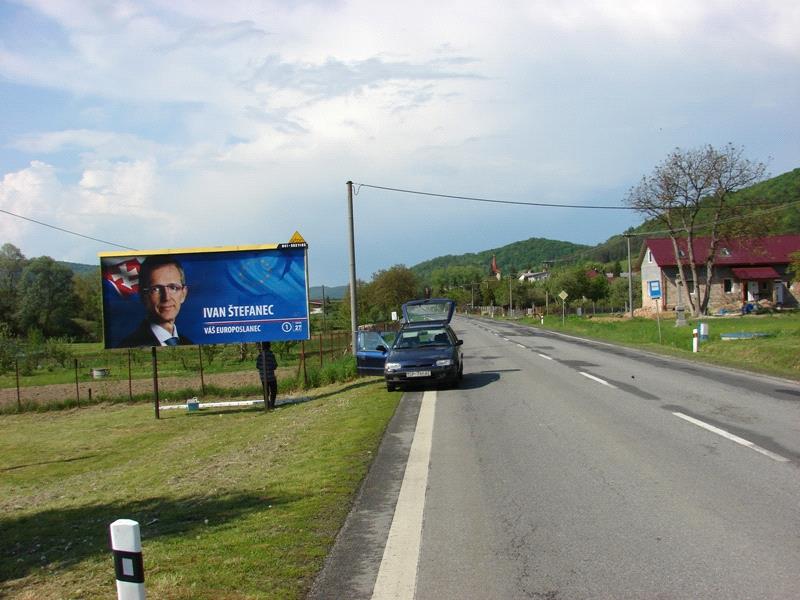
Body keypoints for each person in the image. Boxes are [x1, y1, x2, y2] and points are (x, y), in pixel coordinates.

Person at [118, 256, 193, 347]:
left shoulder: (188, 344)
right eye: (156, 289)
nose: (166, 297)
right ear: (143, 295)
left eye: (173, 287)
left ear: (183, 294)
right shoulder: (129, 346)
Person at [256, 342, 278, 409]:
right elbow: (275, 365)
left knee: (266, 392)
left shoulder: (260, 355)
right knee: (273, 390)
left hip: (263, 377)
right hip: (271, 377)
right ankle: (272, 405)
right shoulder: (271, 355)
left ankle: (267, 405)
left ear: (263, 347)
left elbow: (257, 366)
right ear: (269, 346)